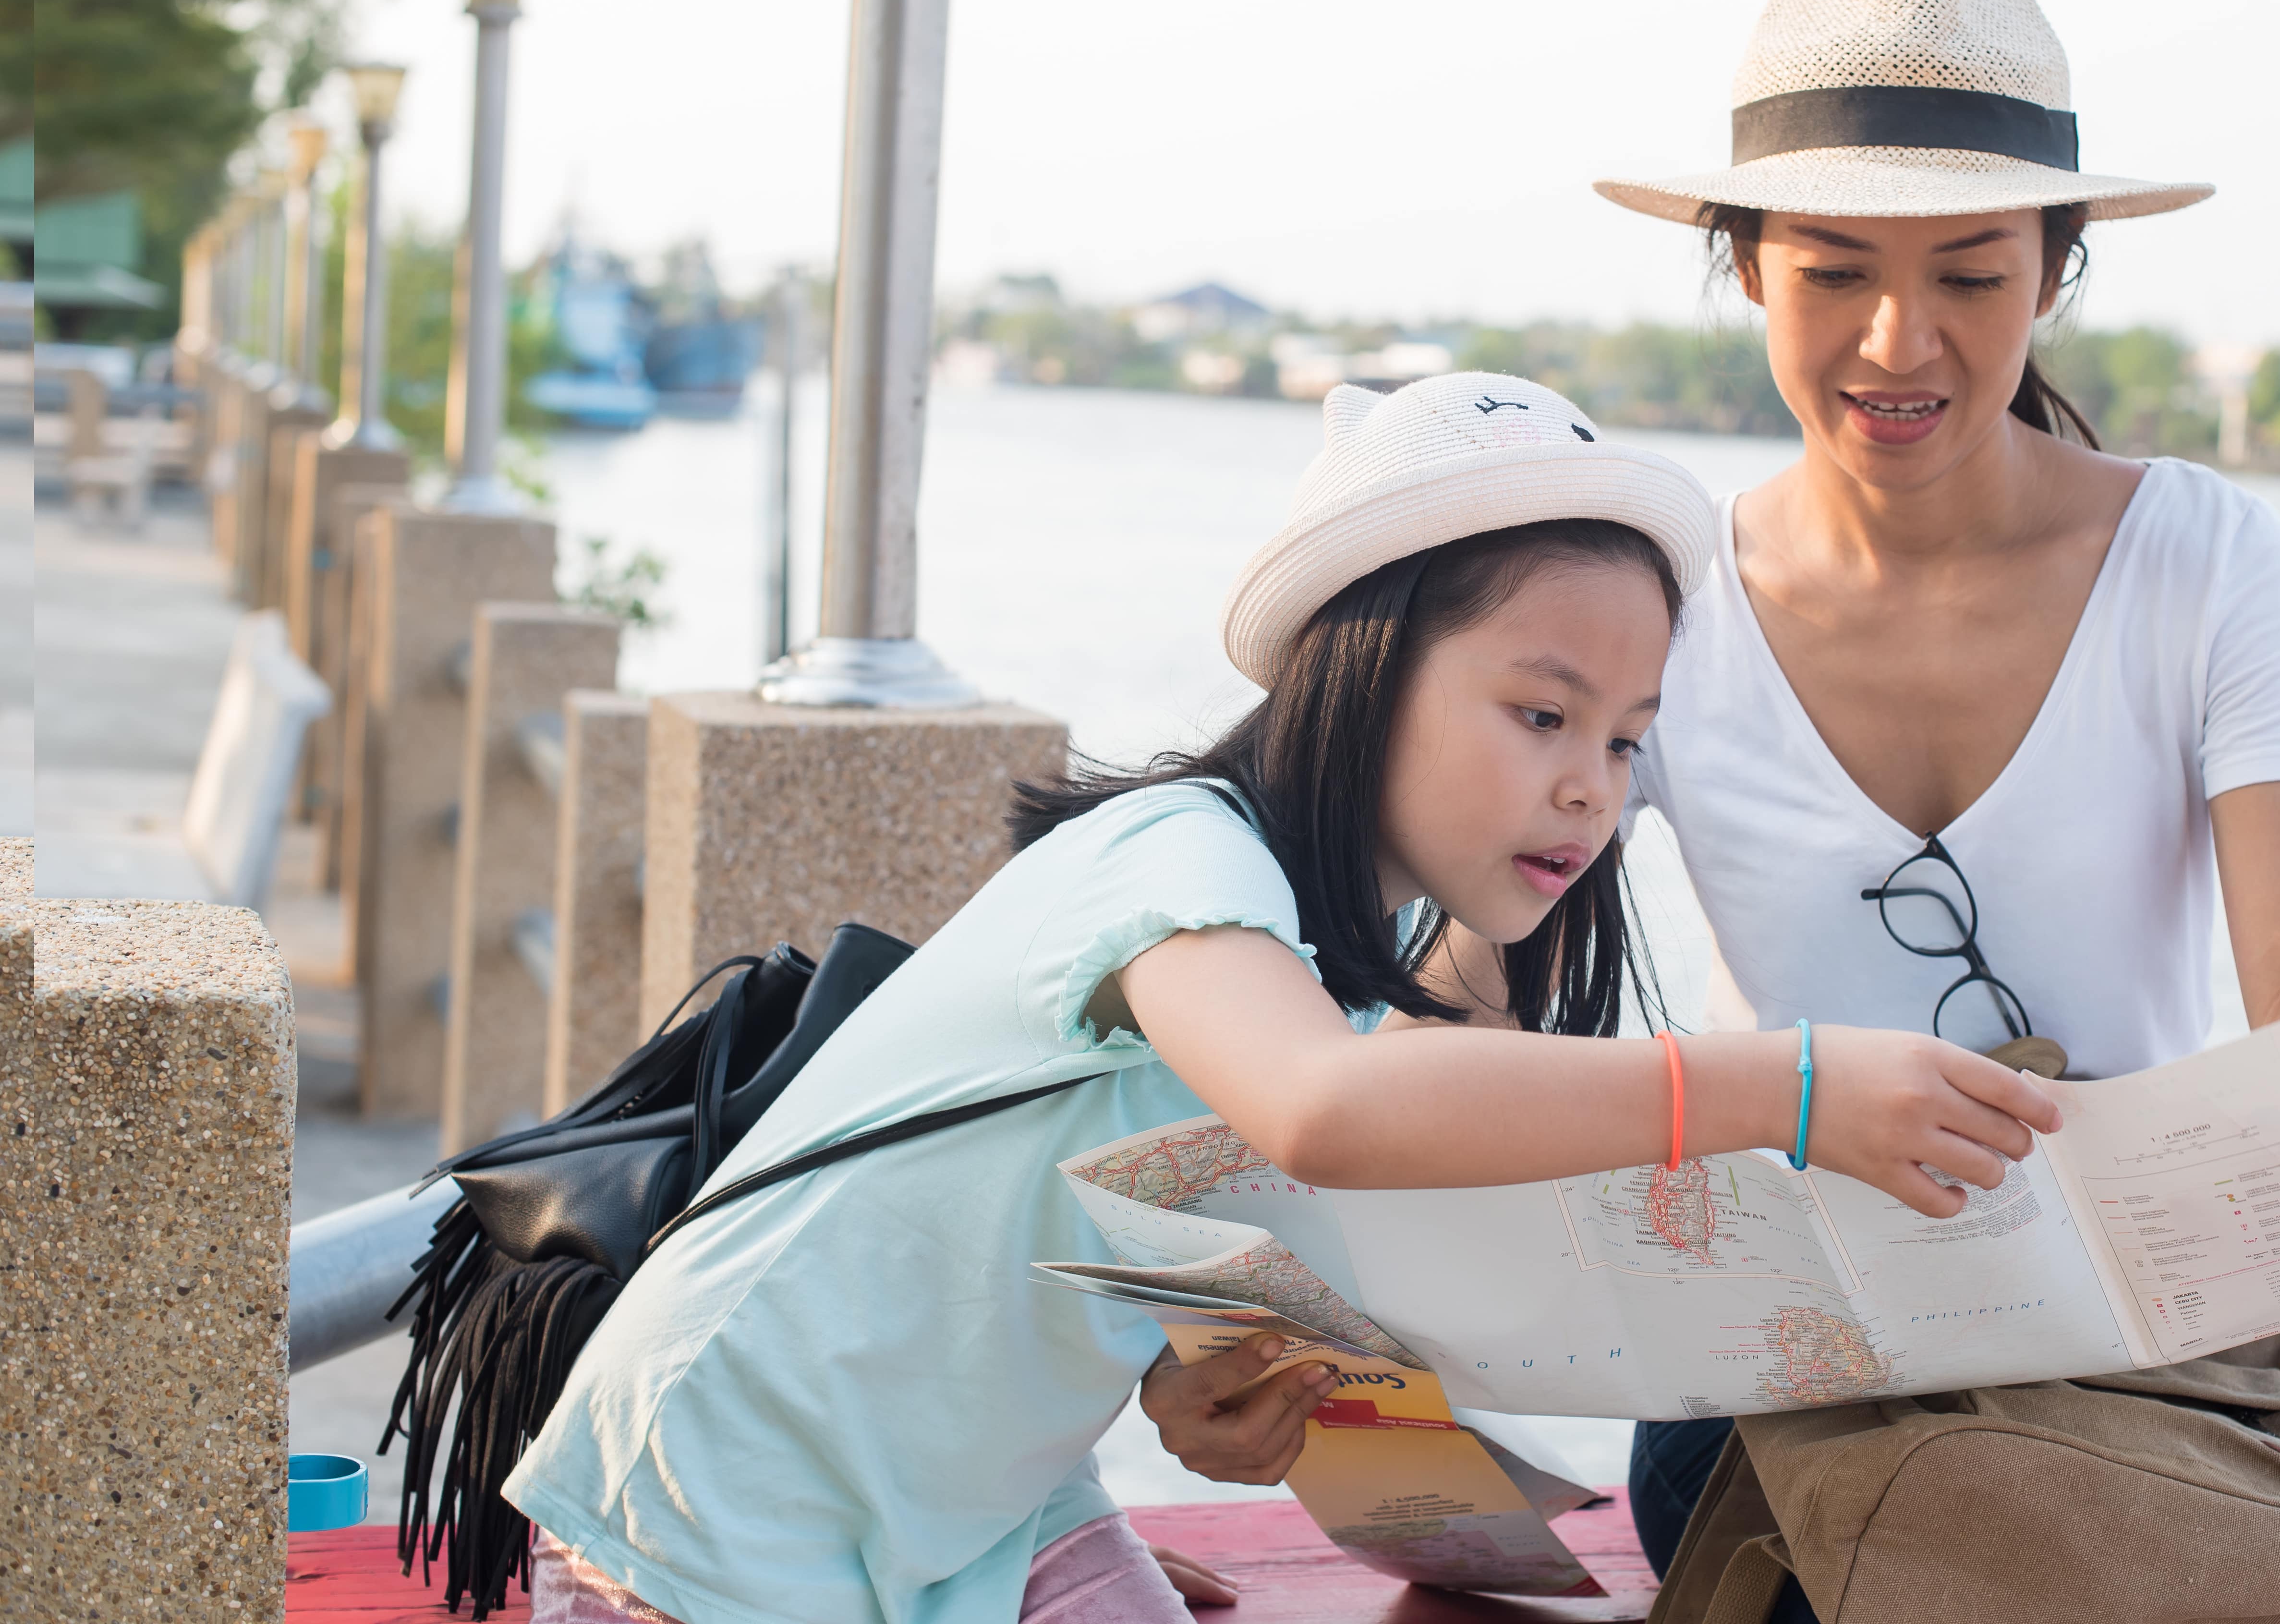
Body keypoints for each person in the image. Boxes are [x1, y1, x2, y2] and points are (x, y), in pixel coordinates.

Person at [503, 372, 2066, 1624]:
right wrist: (1785, 1088)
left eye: (1629, 739)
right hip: (726, 1497)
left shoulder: (1365, 973)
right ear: (1362, 666)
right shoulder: (1176, 863)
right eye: (1541, 713)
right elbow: (1321, 1114)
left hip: (982, 1517)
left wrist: (1228, 1408)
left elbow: (1217, 1326)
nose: (1591, 791)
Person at [1582, 0, 2280, 1586]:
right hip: (1785, 1364)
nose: (1899, 343)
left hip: (2136, 1341)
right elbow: (1472, 982)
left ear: (2057, 271)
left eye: (1970, 275)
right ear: (1745, 268)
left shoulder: (2208, 562)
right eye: (1831, 272)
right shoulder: (1657, 598)